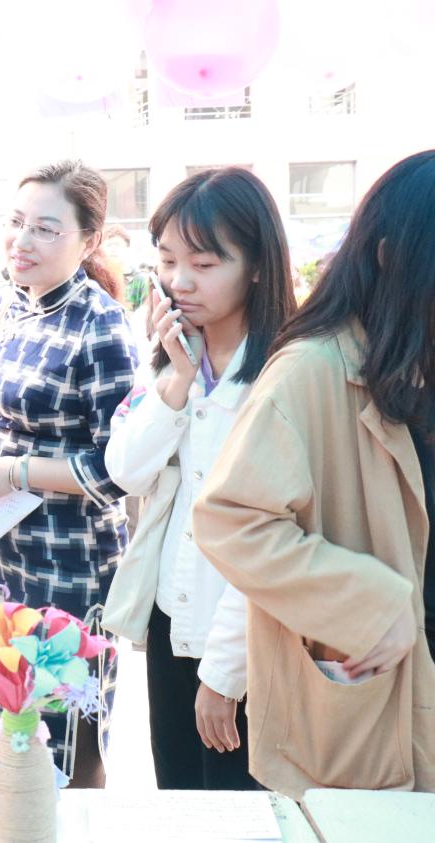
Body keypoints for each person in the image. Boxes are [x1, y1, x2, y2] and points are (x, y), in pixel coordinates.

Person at [192, 150, 435, 797]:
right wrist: (368, 602)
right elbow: (230, 521)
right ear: (389, 258)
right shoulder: (311, 371)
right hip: (376, 710)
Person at [104, 168, 296, 790]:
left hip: (246, 633)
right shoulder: (174, 356)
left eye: (204, 264)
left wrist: (225, 672)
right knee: (180, 800)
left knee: (242, 811)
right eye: (166, 261)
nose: (179, 282)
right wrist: (177, 382)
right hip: (172, 617)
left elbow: (270, 535)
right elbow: (125, 471)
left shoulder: (285, 373)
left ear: (258, 266)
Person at [0, 160, 137, 787]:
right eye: (16, 222)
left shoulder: (102, 324)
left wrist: (14, 472)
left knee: (66, 727)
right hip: (0, 550)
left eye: (45, 229)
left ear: (89, 241)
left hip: (72, 560)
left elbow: (117, 469)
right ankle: (20, 822)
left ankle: (74, 824)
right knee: (5, 714)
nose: (22, 240)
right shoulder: (8, 304)